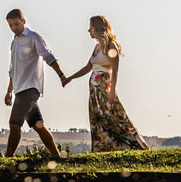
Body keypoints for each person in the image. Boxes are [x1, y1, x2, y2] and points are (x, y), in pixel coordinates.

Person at [62, 15, 149, 152]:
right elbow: (88, 67)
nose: (88, 30)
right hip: (94, 90)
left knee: (114, 117)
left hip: (105, 87)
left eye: (90, 27)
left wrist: (112, 90)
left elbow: (115, 69)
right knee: (97, 118)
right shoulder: (97, 47)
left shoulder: (111, 45)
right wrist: (70, 78)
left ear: (97, 27)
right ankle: (103, 149)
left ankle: (137, 146)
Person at [4, 8, 66, 158]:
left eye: (16, 24)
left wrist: (61, 74)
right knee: (39, 125)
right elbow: (13, 70)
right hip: (20, 89)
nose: (14, 28)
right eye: (10, 25)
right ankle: (57, 157)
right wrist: (9, 91)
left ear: (24, 21)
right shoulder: (14, 43)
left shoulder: (34, 37)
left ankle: (7, 160)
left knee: (14, 124)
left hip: (31, 88)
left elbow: (48, 56)